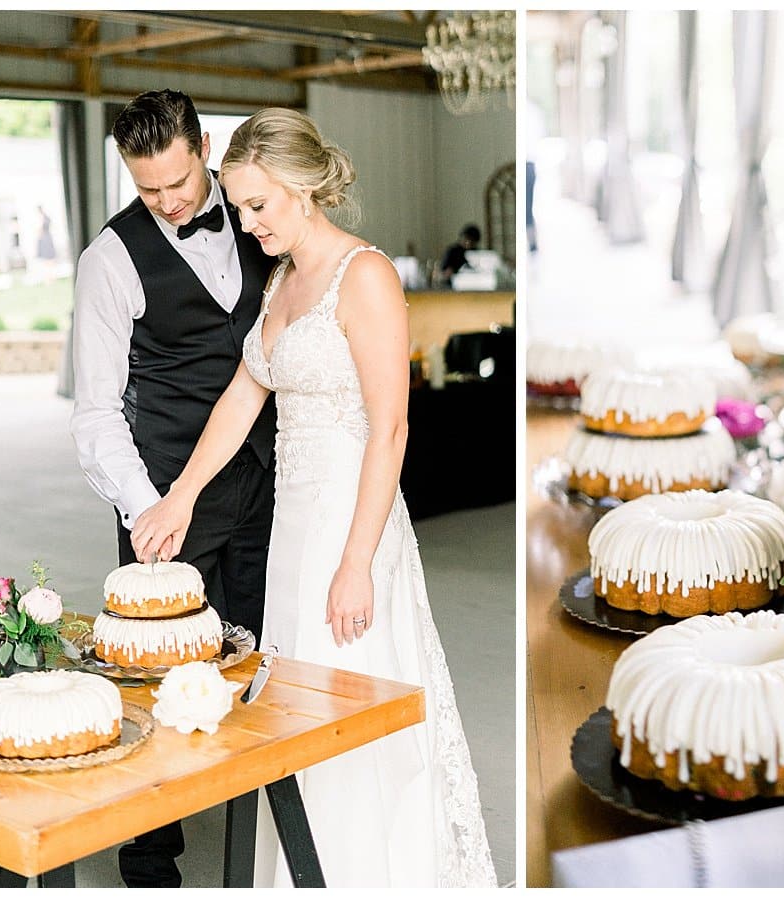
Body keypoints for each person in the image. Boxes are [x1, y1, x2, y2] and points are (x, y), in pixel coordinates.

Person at [130, 108, 497, 887]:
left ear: (302, 189)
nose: (249, 223)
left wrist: (358, 562)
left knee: (348, 709)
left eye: (259, 206)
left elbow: (391, 429)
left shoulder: (364, 275)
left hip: (352, 527)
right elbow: (241, 397)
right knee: (292, 715)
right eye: (240, 209)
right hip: (294, 529)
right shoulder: (281, 281)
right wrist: (181, 498)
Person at [69, 89, 279, 888]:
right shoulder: (111, 258)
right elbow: (94, 412)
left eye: (179, 184)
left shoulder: (256, 212)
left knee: (255, 649)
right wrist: (144, 504)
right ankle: (150, 850)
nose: (165, 202)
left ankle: (258, 811)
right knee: (157, 672)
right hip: (165, 489)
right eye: (147, 188)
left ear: (206, 147)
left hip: (263, 478)